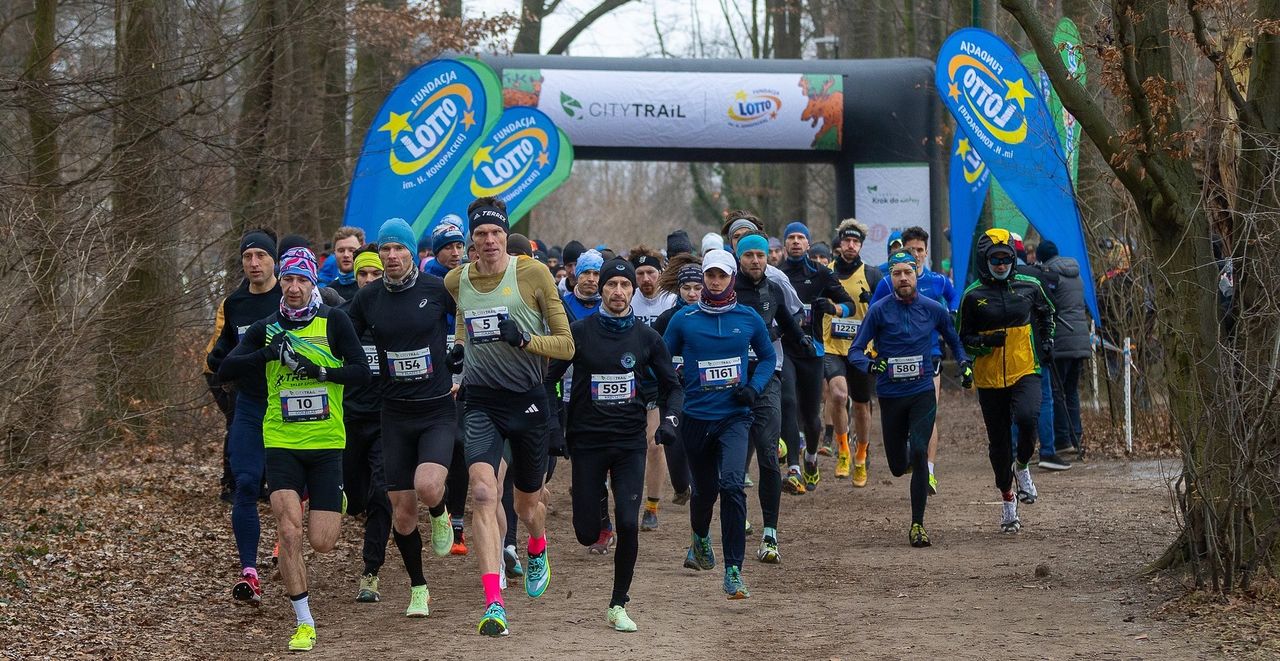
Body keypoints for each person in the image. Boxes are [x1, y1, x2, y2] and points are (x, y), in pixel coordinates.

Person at [218, 247, 371, 652]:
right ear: (280, 283)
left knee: (322, 542)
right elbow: (224, 370)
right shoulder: (266, 327)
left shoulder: (333, 321)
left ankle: (333, 497)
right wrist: (266, 354)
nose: (295, 287)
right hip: (281, 442)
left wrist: (321, 371)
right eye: (288, 279)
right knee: (288, 532)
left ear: (313, 284)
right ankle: (303, 622)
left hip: (325, 444)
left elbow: (362, 372)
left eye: (303, 280)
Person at [443, 198, 574, 636]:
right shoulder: (455, 279)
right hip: (481, 401)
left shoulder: (532, 275)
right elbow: (464, 319)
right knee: (482, 494)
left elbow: (566, 346)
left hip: (529, 400)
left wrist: (524, 340)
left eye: (496, 232)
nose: (489, 240)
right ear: (471, 241)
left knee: (526, 504)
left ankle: (537, 546)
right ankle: (494, 601)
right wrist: (460, 351)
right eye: (480, 234)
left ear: (505, 235)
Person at [548, 258, 683, 632]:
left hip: (628, 443)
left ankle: (618, 603)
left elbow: (673, 386)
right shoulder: (579, 332)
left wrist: (670, 421)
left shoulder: (646, 337)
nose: (619, 292)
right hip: (587, 442)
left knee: (629, 522)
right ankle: (596, 518)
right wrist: (553, 427)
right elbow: (549, 381)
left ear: (633, 291)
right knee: (586, 533)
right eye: (612, 285)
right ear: (602, 290)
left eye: (625, 285)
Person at [347, 218, 458, 618]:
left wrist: (460, 368)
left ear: (412, 252)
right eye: (386, 250)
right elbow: (341, 330)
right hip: (393, 413)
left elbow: (467, 320)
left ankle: (442, 511)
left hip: (436, 408)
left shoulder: (437, 289)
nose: (392, 256)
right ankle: (419, 587)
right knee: (402, 511)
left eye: (399, 249)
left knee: (428, 487)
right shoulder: (369, 298)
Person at [663, 249, 776, 599]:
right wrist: (676, 377)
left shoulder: (749, 317)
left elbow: (769, 357)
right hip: (696, 418)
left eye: (721, 276)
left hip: (734, 417)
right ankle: (699, 540)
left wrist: (754, 388)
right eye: (709, 276)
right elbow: (662, 358)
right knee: (705, 492)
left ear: (731, 277)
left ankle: (733, 571)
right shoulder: (684, 319)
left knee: (731, 486)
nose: (714, 281)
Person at [848, 250, 972, 547]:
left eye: (907, 272)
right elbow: (855, 350)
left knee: (919, 452)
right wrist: (870, 365)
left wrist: (965, 364)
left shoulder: (933, 308)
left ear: (917, 273)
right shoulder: (878, 311)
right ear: (890, 278)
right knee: (896, 465)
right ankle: (905, 453)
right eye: (896, 273)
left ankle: (918, 525)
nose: (903, 278)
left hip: (921, 391)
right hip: (891, 395)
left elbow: (954, 339)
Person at [958, 229, 1056, 533]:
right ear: (985, 261)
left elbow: (1047, 314)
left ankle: (1024, 466)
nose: (1001, 265)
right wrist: (986, 342)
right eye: (995, 259)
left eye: (1006, 259)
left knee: (1028, 419)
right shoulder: (972, 296)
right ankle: (1007, 498)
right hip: (989, 380)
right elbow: (962, 340)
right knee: (999, 446)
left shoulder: (1030, 285)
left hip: (1025, 368)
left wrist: (1048, 342)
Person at [205, 229, 281, 606]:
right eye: (247, 257)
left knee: (286, 489)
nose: (253, 263)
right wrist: (219, 361)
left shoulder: (291, 296)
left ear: (274, 260)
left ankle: (287, 547)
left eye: (260, 256)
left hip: (288, 406)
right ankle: (249, 570)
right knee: (246, 482)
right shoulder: (235, 303)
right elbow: (223, 350)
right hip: (250, 404)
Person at [733, 233, 810, 562]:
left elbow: (792, 323)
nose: (754, 260)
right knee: (733, 460)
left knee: (767, 454)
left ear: (768, 258)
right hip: (731, 379)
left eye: (759, 255)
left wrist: (795, 340)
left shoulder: (775, 287)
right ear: (739, 259)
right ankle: (737, 518)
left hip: (769, 376)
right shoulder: (727, 288)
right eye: (748, 255)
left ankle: (770, 534)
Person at [870, 226, 960, 492]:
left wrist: (952, 313)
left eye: (921, 250)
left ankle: (928, 470)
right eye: (912, 250)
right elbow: (873, 313)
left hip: (930, 355)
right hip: (896, 360)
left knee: (929, 414)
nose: (917, 254)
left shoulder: (939, 281)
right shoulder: (890, 281)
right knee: (902, 424)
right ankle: (909, 451)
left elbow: (955, 298)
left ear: (927, 251)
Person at [779, 221, 855, 491]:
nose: (796, 242)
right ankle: (793, 467)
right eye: (791, 238)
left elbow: (850, 304)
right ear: (785, 244)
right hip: (784, 349)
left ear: (808, 244)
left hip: (813, 351)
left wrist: (834, 308)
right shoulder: (776, 274)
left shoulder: (822, 274)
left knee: (812, 416)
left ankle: (810, 457)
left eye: (801, 237)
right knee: (787, 401)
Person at [340, 247, 393, 603]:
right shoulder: (341, 320)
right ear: (356, 278)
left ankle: (370, 572)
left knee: (381, 494)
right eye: (364, 275)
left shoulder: (395, 316)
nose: (370, 281)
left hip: (388, 420)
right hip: (347, 420)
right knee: (356, 499)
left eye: (376, 274)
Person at [822, 219, 883, 488]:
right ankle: (843, 449)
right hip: (831, 346)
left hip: (861, 349)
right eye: (846, 240)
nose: (850, 245)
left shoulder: (872, 275)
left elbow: (883, 312)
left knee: (861, 404)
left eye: (856, 242)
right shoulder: (825, 272)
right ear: (839, 242)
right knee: (838, 394)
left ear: (861, 245)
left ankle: (861, 455)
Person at [629, 248, 678, 532]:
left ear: (660, 274)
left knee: (654, 444)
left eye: (651, 273)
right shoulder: (627, 298)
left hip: (659, 382)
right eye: (640, 274)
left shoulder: (670, 301)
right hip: (631, 381)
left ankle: (651, 507)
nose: (646, 279)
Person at [1035, 240, 1092, 464]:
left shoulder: (1050, 276)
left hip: (1061, 339)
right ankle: (1075, 435)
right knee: (1072, 391)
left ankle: (1062, 440)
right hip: (1080, 339)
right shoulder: (1076, 275)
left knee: (1056, 392)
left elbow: (1048, 306)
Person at [327, 227, 365, 301]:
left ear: (362, 251)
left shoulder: (369, 286)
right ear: (334, 253)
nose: (346, 255)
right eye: (341, 251)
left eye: (351, 250)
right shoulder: (329, 292)